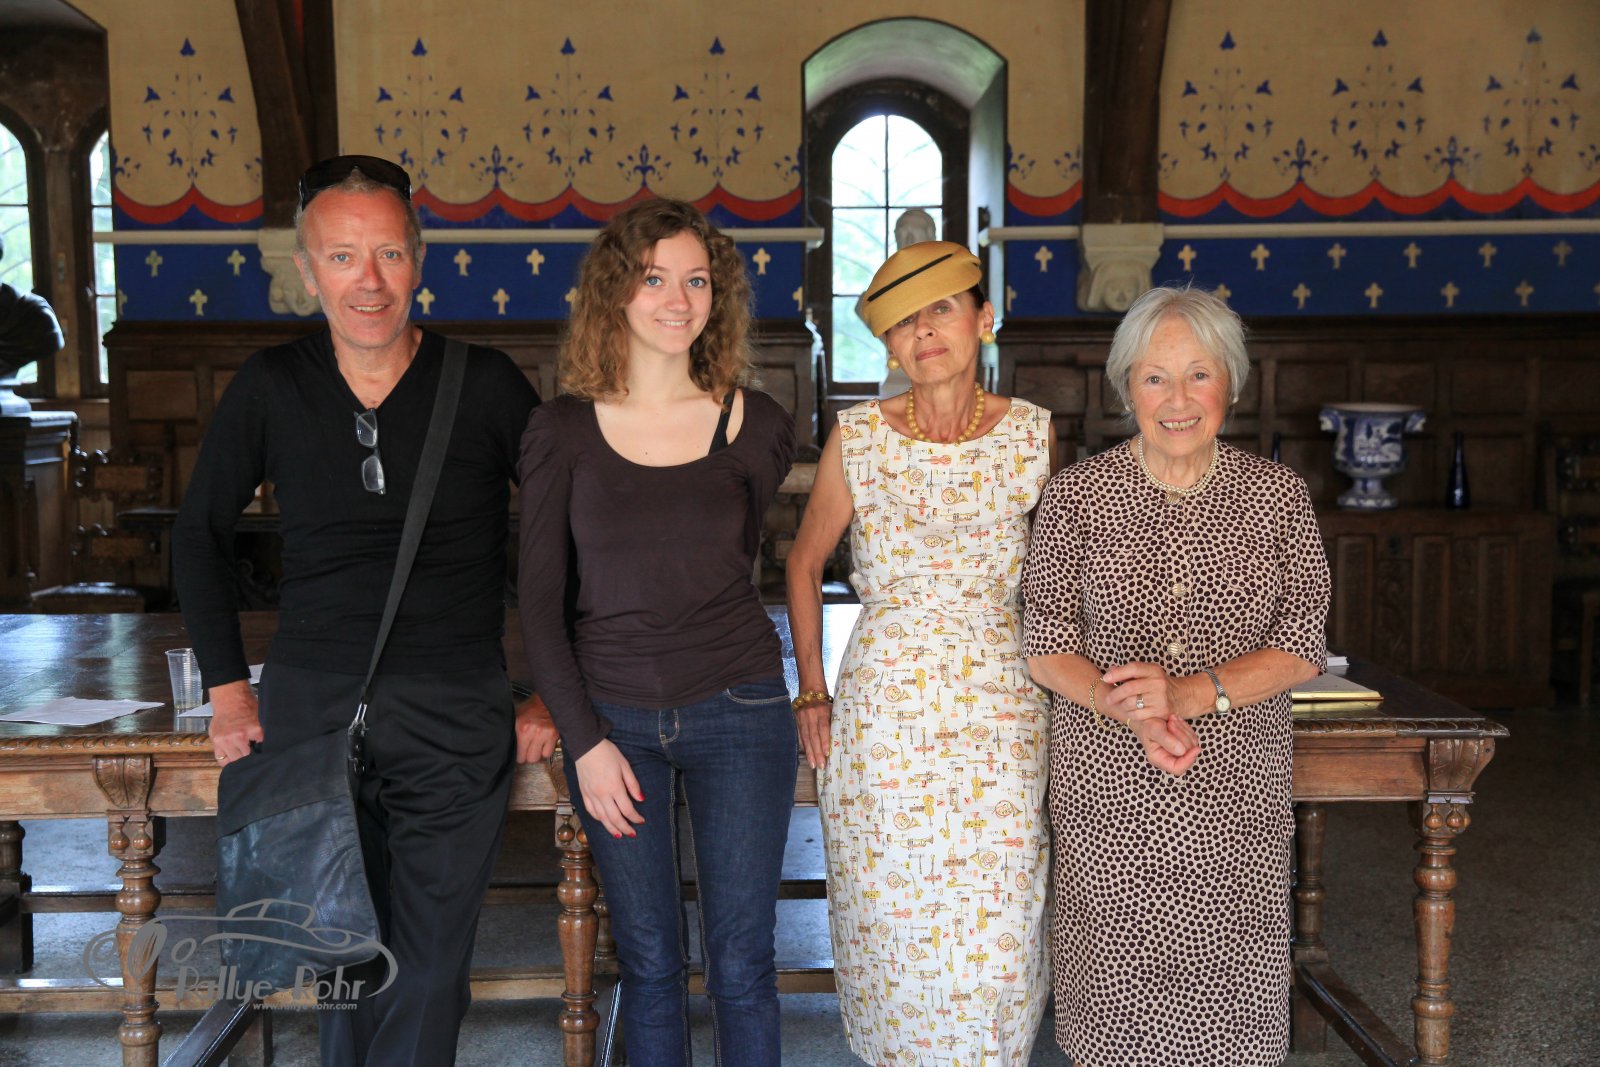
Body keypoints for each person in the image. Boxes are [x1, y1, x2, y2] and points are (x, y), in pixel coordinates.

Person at [173, 154, 557, 1067]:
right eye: (342, 257)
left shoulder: (487, 384)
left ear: (419, 259)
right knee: (340, 962)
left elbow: (569, 540)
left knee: (428, 968)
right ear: (308, 272)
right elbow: (197, 535)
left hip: (454, 703)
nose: (369, 280)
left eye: (387, 253)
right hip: (311, 704)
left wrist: (551, 691)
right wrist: (228, 689)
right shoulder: (271, 385)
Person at [517, 197, 797, 1066]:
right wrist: (586, 741)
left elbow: (735, 560)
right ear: (616, 292)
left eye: (696, 281)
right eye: (654, 278)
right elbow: (540, 606)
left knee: (742, 965)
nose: (678, 300)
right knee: (647, 963)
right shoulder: (561, 429)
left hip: (741, 708)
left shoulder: (756, 423)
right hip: (616, 722)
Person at [1021, 284, 1331, 1066]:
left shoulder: (1278, 496)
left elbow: (1303, 641)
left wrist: (1188, 695)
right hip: (1109, 796)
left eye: (1200, 374)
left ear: (1232, 382)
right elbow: (1045, 642)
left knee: (1233, 1011)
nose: (1179, 399)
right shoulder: (1075, 496)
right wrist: (1128, 707)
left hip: (1237, 795)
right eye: (1156, 376)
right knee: (1115, 1013)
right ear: (1127, 386)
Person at [786, 240, 1056, 1066]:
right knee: (890, 915)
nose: (925, 331)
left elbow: (1061, 579)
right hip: (886, 714)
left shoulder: (1033, 434)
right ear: (889, 346)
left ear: (984, 316)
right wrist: (812, 689)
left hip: (1002, 709)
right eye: (903, 321)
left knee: (1001, 918)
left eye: (941, 308)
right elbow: (803, 562)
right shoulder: (860, 437)